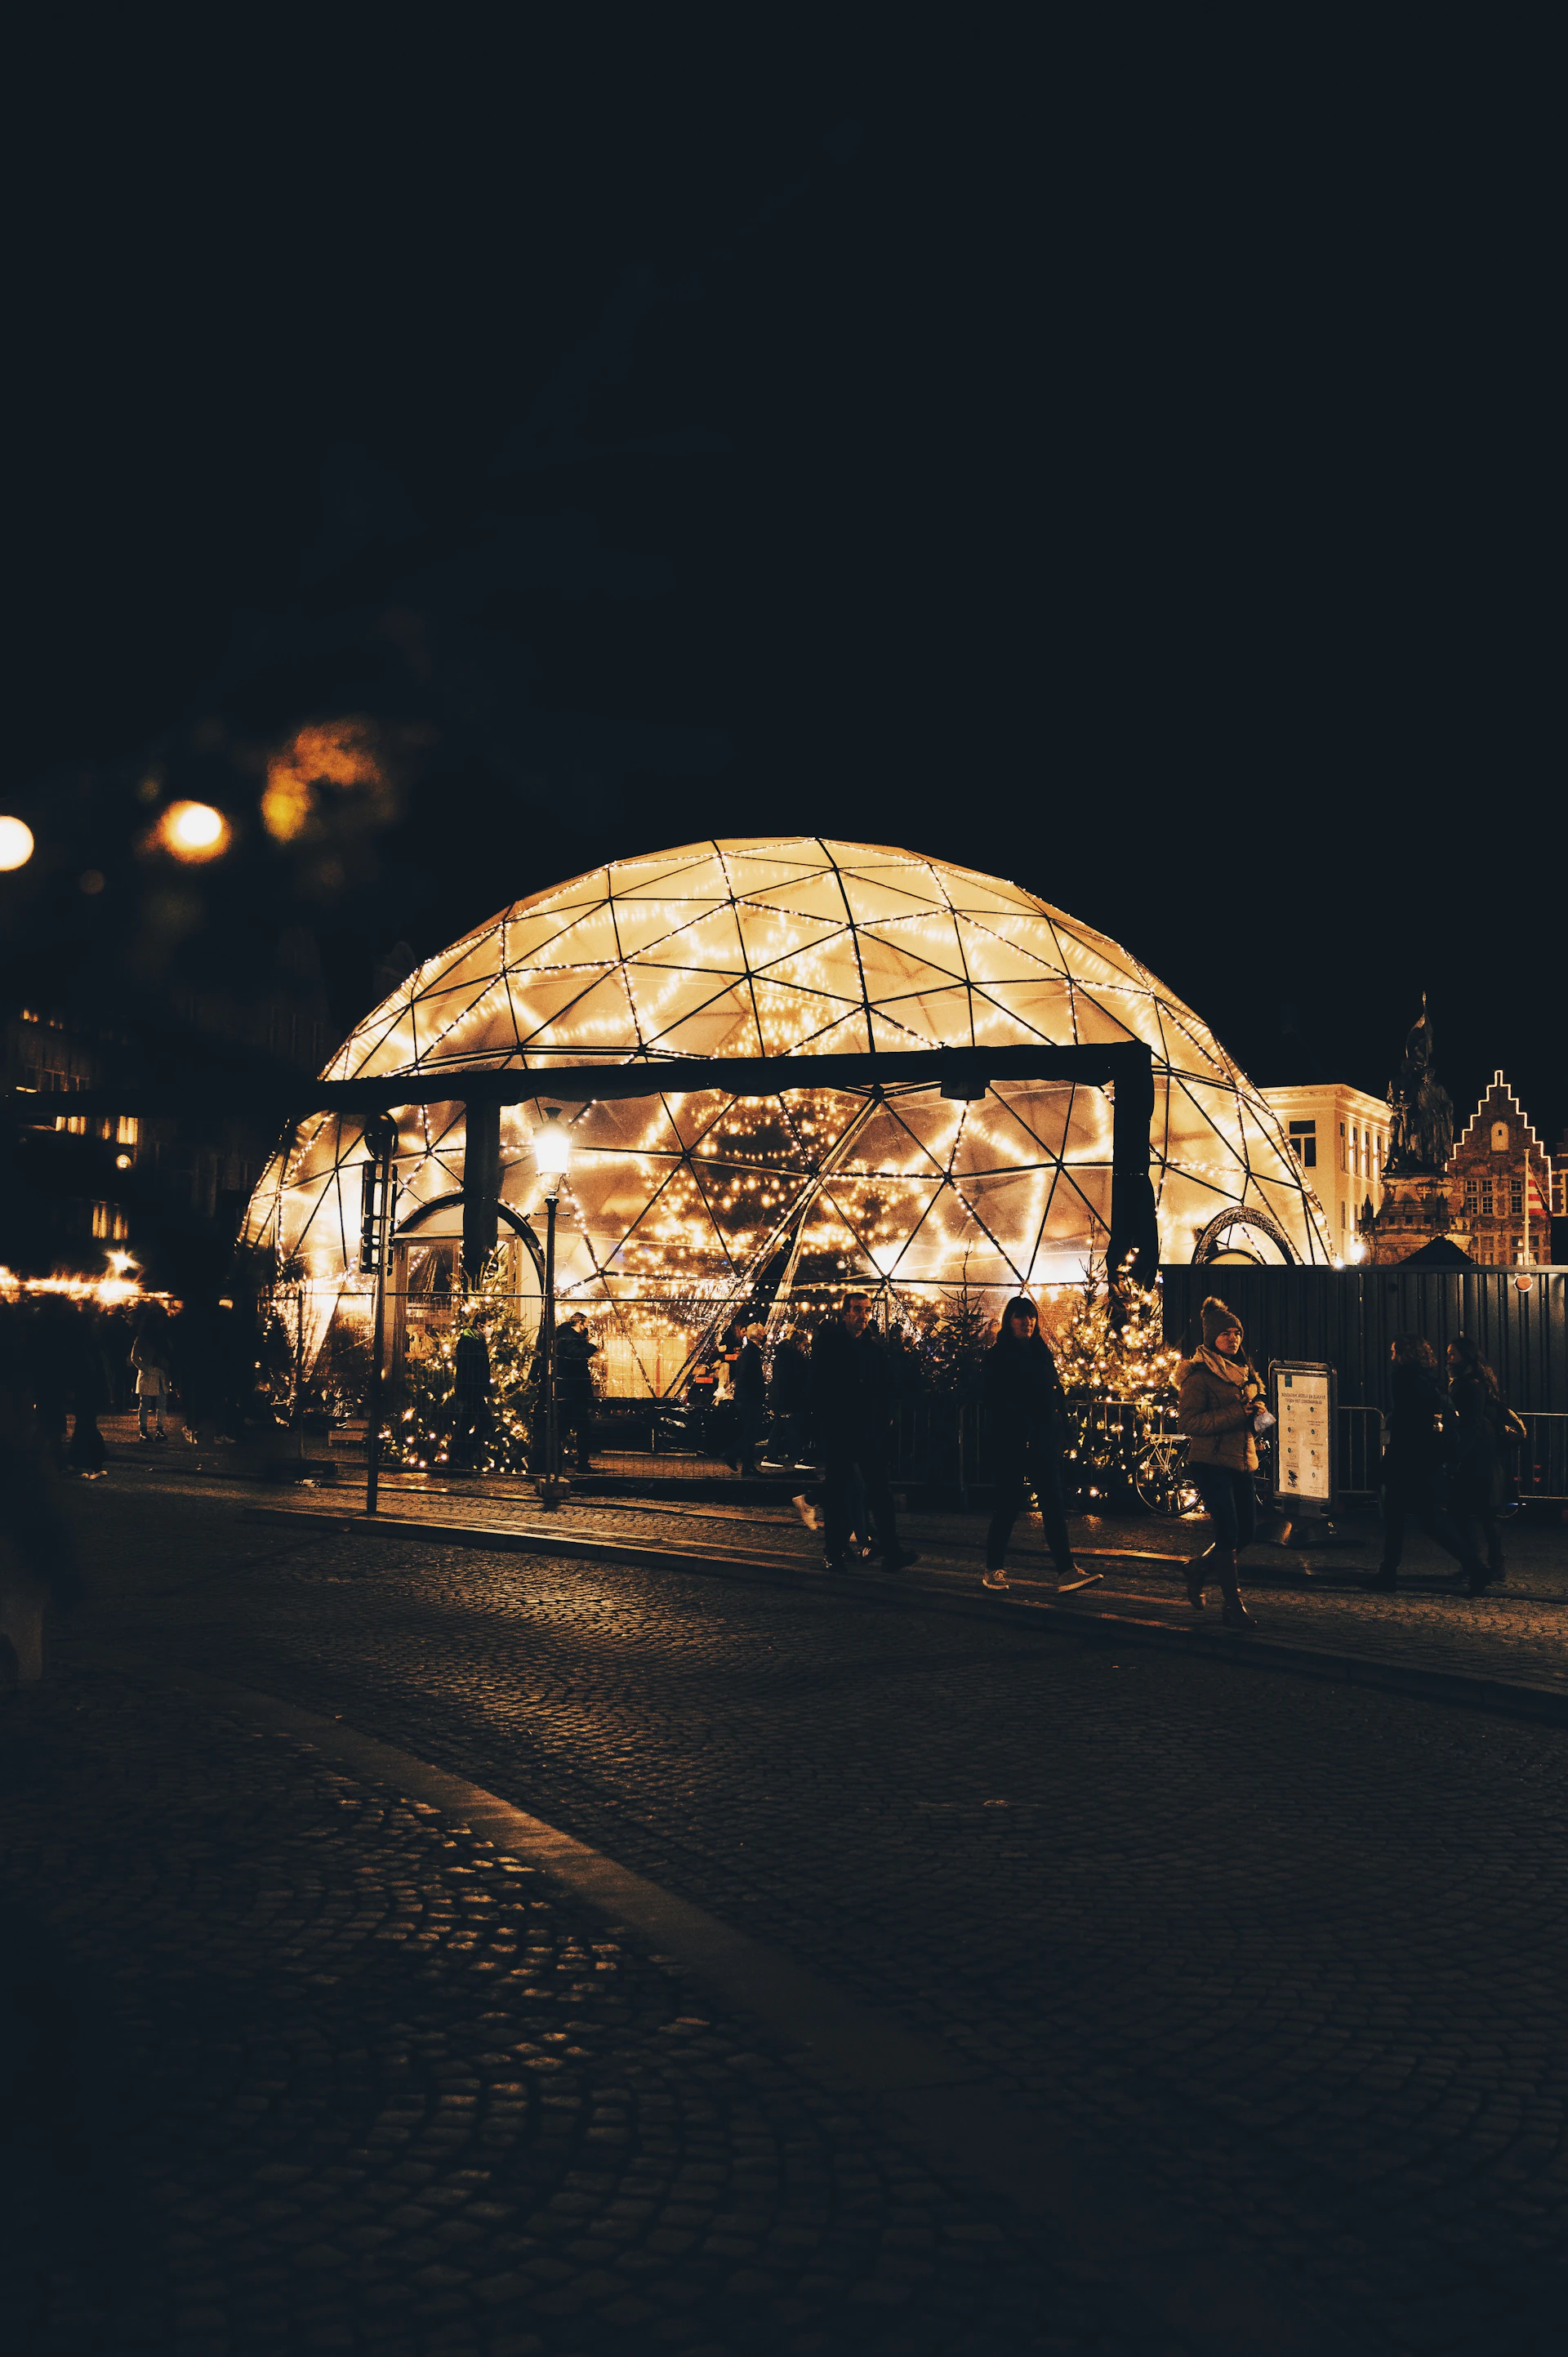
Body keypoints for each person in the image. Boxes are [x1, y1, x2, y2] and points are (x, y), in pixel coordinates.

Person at [979, 1296, 1100, 1593]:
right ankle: (993, 1568)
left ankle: (1066, 1570)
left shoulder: (1041, 1352)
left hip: (1043, 1440)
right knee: (1008, 1504)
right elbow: (995, 1399)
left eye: (1031, 1317)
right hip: (1012, 1441)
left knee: (1053, 1505)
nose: (1027, 1322)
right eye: (1021, 1317)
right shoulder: (998, 1356)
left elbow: (1054, 1393)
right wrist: (1023, 1424)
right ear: (1009, 1321)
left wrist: (1060, 1427)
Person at [1175, 1297, 1269, 1629]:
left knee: (1247, 1532)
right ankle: (1232, 1606)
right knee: (1228, 1531)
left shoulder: (1246, 1374)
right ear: (1211, 1337)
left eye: (1237, 1333)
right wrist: (1237, 1412)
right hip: (1211, 1461)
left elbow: (1250, 1422)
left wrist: (1259, 1415)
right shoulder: (1199, 1376)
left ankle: (1199, 1568)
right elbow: (1189, 1422)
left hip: (1243, 1459)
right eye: (1226, 1334)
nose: (1233, 1339)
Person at [809, 1293, 918, 1574]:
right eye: (858, 1310)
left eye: (867, 1310)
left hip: (868, 1430)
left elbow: (886, 1386)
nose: (863, 1315)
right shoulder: (830, 1345)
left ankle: (891, 1552)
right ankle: (834, 1551)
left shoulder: (872, 1348)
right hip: (840, 1429)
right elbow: (819, 1387)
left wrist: (885, 1416)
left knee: (879, 1491)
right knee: (839, 1492)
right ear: (845, 1313)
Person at [1366, 1336, 1482, 1592]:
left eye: (1394, 1351)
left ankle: (1389, 1573)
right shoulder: (1428, 1379)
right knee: (1425, 1520)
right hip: (1423, 1460)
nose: (1392, 1356)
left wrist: (1391, 1451)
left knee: (1404, 1519)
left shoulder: (1404, 1378)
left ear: (1404, 1354)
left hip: (1407, 1460)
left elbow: (1407, 1422)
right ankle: (1474, 1567)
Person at [1446, 1334, 1509, 1594]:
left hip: (1476, 1455)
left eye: (1453, 1354)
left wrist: (1457, 1455)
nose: (1449, 1358)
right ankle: (1486, 1562)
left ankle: (1479, 1563)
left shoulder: (1470, 1385)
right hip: (1483, 1454)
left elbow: (1470, 1424)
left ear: (1466, 1356)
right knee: (1482, 1512)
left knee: (1467, 1511)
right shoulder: (1476, 1382)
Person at [555, 1315, 599, 1473]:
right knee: (580, 1427)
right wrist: (592, 1346)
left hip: (570, 1391)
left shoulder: (566, 1337)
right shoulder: (569, 1339)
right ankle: (581, 1463)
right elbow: (576, 1356)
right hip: (573, 1392)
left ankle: (556, 1462)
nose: (586, 1329)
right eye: (585, 1324)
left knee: (566, 1427)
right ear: (579, 1323)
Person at [448, 1316, 491, 1473]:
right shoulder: (470, 1342)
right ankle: (460, 1458)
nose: (490, 1329)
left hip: (473, 1391)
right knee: (476, 1423)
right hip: (471, 1392)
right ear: (480, 1325)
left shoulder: (476, 1341)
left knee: (467, 1424)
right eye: (489, 1325)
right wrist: (476, 1391)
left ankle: (460, 1458)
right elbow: (472, 1369)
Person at [768, 1321, 813, 1465]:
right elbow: (795, 1379)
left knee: (781, 1426)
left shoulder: (782, 1356)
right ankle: (798, 1457)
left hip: (781, 1398)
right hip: (789, 1398)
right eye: (803, 1345)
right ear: (798, 1343)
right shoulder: (793, 1358)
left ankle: (772, 1456)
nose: (804, 1348)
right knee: (792, 1427)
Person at [131, 1305, 172, 1441]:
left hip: (161, 1375)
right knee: (145, 1404)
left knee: (161, 1404)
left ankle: (160, 1429)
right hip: (148, 1375)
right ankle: (143, 1430)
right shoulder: (142, 1339)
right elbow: (134, 1357)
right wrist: (146, 1369)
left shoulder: (164, 1339)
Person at [733, 1322, 767, 1475]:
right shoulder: (751, 1353)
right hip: (749, 1398)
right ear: (759, 1335)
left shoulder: (748, 1352)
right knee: (751, 1431)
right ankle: (733, 1455)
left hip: (746, 1397)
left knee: (750, 1431)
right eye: (763, 1333)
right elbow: (747, 1376)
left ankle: (747, 1464)